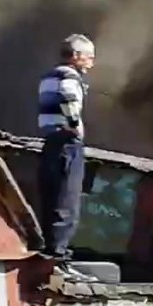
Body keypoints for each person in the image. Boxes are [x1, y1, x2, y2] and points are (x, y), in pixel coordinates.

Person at [37, 34, 96, 260]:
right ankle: (58, 252)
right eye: (89, 57)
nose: (92, 62)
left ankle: (50, 246)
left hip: (50, 140)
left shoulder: (47, 76)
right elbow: (67, 97)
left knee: (51, 196)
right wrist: (73, 125)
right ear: (76, 56)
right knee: (67, 198)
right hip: (67, 143)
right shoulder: (70, 77)